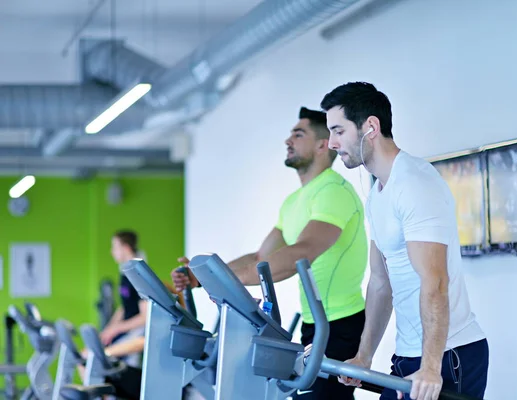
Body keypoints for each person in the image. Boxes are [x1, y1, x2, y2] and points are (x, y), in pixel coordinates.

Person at [172, 106, 369, 399]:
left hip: (341, 322)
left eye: (298, 134)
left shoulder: (333, 191)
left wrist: (226, 282)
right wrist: (204, 275)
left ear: (321, 144)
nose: (287, 141)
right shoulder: (294, 201)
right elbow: (259, 257)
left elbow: (300, 254)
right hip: (314, 321)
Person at [320, 82, 489, 400]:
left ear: (370, 126)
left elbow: (435, 281)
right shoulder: (378, 193)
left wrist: (430, 367)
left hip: (450, 357)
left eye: (338, 131)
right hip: (411, 356)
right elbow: (381, 283)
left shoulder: (414, 183)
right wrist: (364, 355)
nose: (331, 143)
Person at [98, 230, 147, 367]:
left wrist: (117, 329)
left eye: (115, 247)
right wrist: (109, 328)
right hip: (126, 329)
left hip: (137, 333)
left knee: (94, 358)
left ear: (125, 248)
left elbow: (145, 317)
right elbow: (124, 307)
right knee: (87, 355)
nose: (112, 252)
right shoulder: (125, 273)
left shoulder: (138, 275)